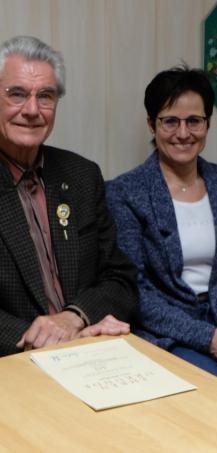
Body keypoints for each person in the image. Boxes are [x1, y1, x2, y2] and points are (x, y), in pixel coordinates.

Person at [106, 66, 217, 405]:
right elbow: (136, 289)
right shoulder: (126, 192)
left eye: (194, 121)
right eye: (170, 121)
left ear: (207, 124)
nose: (183, 133)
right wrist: (207, 337)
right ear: (151, 124)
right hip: (171, 331)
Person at [0, 36, 137, 356]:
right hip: (13, 361)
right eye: (16, 94)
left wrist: (74, 318)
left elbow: (121, 279)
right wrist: (49, 339)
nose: (32, 110)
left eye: (45, 96)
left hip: (92, 345)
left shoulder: (82, 175)